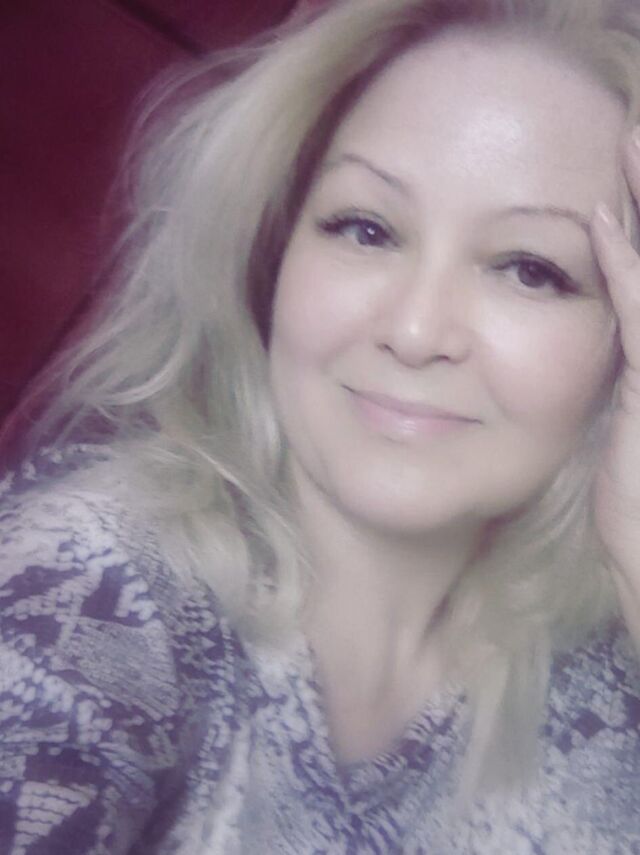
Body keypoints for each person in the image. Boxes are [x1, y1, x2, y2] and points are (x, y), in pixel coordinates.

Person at [1, 0, 640, 851]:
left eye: (529, 270)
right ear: (273, 255)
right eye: (366, 228)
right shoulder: (91, 583)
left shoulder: (606, 674)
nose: (414, 330)